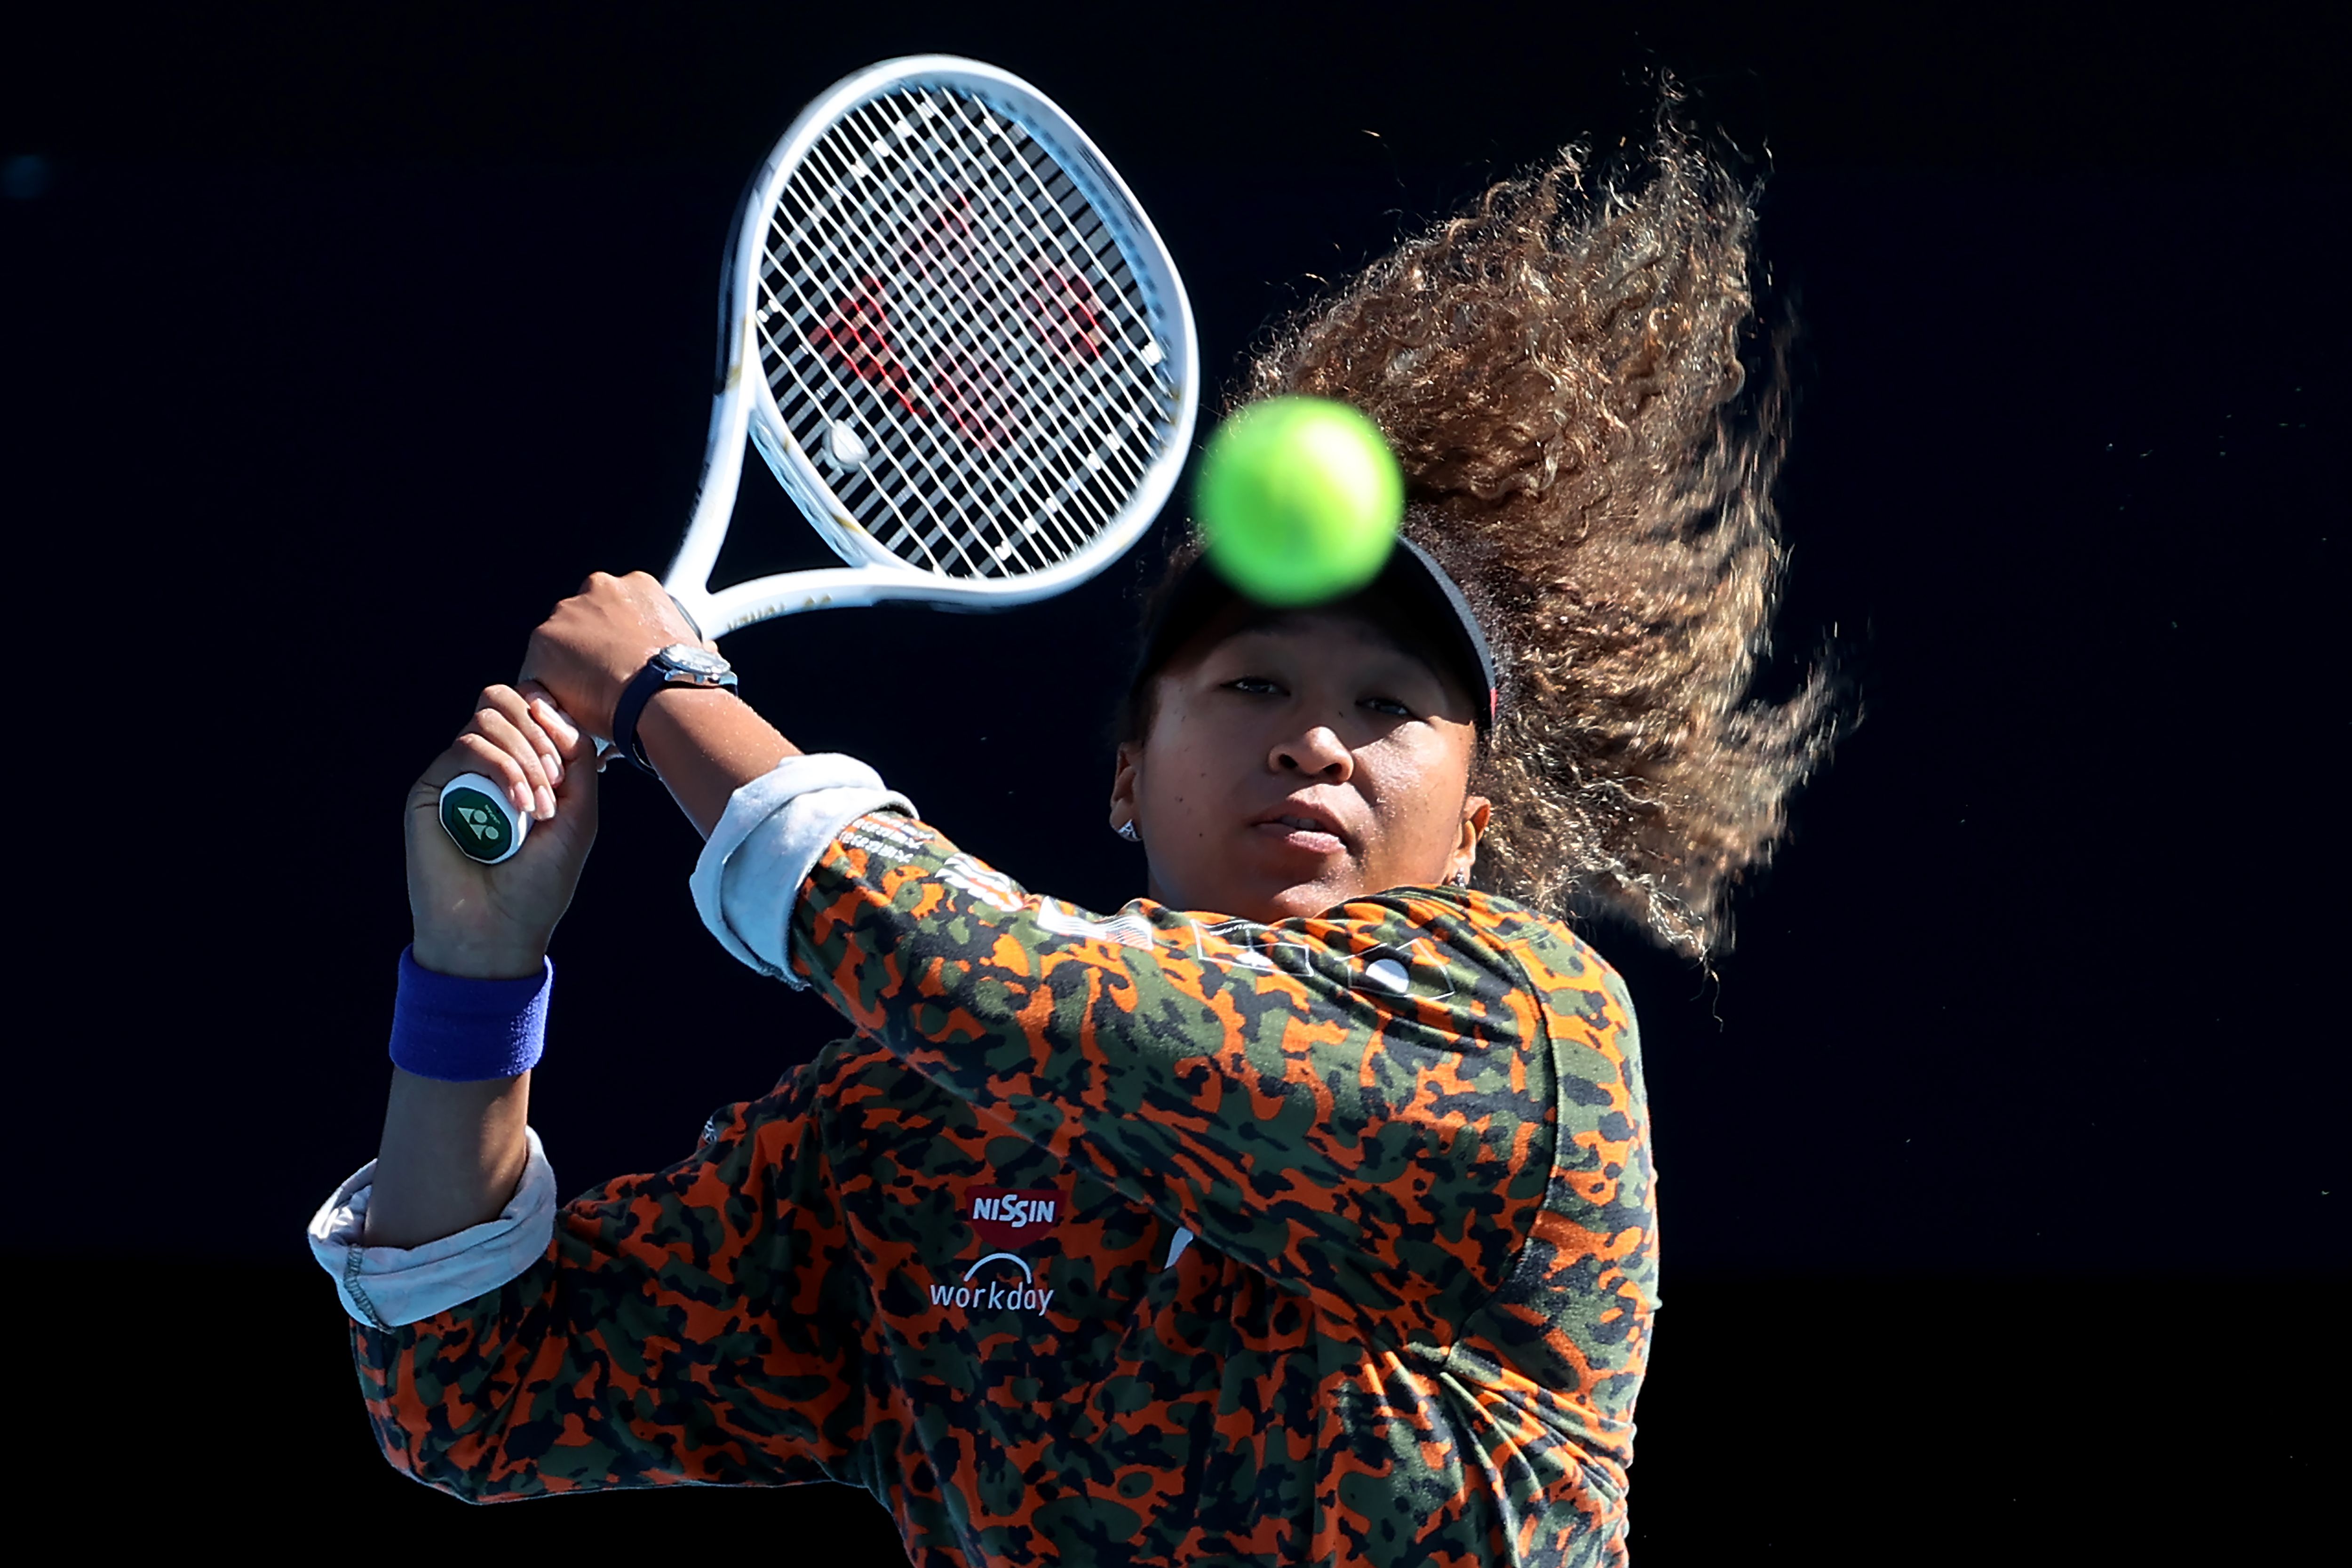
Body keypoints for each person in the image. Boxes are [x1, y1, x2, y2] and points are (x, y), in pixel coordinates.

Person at [310, 112, 1848, 1567]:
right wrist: (477, 966)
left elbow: (1001, 984)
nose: (1314, 737)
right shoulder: (904, 1138)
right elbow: (477, 1394)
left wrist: (668, 695)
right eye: (1251, 684)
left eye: (1389, 707)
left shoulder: (1528, 1032)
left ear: (1473, 834)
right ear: (1127, 780)